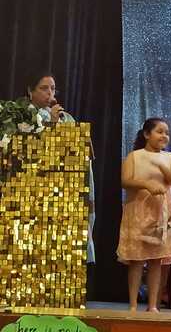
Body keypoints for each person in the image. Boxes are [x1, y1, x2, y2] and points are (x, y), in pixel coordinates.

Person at [25, 73, 96, 265]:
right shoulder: (24, 116)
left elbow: (81, 152)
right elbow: (29, 152)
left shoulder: (67, 117)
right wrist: (52, 124)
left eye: (53, 88)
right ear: (30, 91)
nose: (50, 93)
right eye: (44, 88)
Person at [117, 118, 171, 312]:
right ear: (147, 134)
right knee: (137, 259)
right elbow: (125, 181)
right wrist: (146, 184)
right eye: (159, 131)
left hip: (161, 213)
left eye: (167, 133)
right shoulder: (134, 156)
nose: (164, 136)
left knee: (156, 260)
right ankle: (133, 304)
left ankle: (153, 305)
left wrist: (162, 167)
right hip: (138, 212)